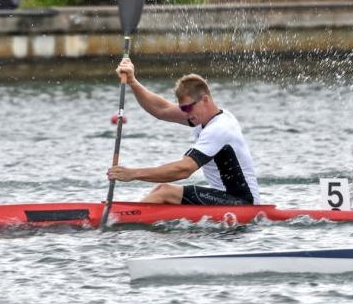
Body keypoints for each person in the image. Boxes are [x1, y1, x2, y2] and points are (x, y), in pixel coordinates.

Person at [107, 58, 261, 205]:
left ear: (205, 100)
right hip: (221, 197)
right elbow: (161, 109)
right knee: (164, 193)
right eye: (182, 109)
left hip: (243, 201)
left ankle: (122, 220)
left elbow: (184, 169)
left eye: (188, 108)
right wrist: (133, 82)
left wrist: (133, 174)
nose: (186, 114)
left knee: (164, 191)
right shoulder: (202, 116)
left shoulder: (220, 128)